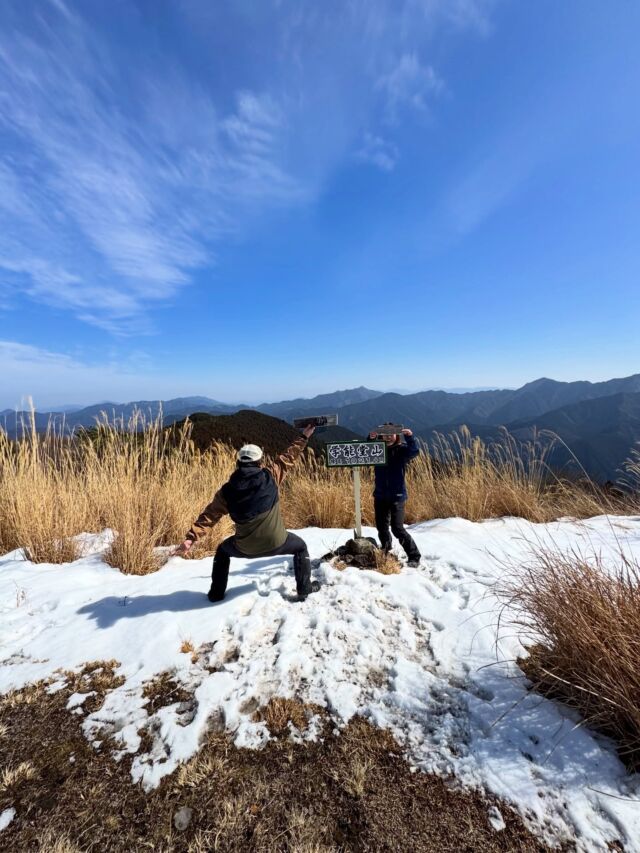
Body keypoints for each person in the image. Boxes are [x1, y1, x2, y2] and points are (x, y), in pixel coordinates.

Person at [175, 425, 320, 602]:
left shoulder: (227, 491)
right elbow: (289, 457)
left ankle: (216, 594)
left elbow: (210, 515)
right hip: (278, 542)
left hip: (244, 548)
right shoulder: (271, 476)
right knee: (301, 547)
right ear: (260, 462)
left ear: (238, 463)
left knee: (222, 551)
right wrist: (304, 437)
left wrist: (190, 538)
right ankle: (304, 588)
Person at [368, 424, 422, 567]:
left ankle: (414, 556)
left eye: (391, 434)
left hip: (397, 496)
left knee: (397, 528)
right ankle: (386, 551)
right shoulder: (377, 450)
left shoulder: (401, 450)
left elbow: (414, 452)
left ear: (396, 435)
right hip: (380, 495)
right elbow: (364, 453)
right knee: (382, 527)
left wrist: (409, 437)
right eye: (385, 434)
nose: (388, 437)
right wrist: (370, 439)